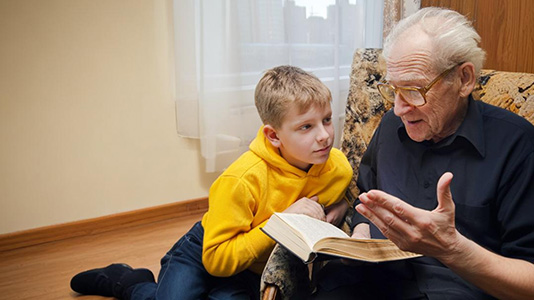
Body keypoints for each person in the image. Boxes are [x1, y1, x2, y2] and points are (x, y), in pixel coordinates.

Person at [70, 65, 353, 300]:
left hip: (251, 267)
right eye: (306, 126)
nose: (325, 136)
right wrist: (280, 223)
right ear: (274, 136)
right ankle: (129, 280)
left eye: (327, 120)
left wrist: (341, 206)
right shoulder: (241, 180)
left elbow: (346, 194)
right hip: (208, 250)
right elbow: (217, 261)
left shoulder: (337, 167)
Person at [311, 7, 534, 300]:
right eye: (393, 90)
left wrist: (451, 248)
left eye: (415, 90)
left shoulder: (517, 144)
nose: (398, 108)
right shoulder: (392, 124)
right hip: (366, 280)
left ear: (464, 79)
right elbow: (366, 197)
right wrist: (361, 232)